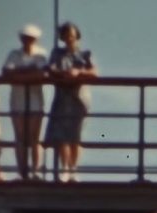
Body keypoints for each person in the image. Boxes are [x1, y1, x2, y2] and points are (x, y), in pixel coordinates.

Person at [44, 21, 97, 183]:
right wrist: (63, 73)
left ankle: (74, 169)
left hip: (79, 98)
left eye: (72, 36)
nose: (69, 39)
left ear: (77, 37)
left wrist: (78, 72)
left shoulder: (85, 54)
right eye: (66, 36)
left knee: (76, 135)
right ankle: (65, 168)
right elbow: (50, 69)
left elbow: (94, 73)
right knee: (62, 136)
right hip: (62, 97)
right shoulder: (57, 53)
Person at [2, 24, 48, 181]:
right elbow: (7, 72)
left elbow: (41, 74)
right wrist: (29, 72)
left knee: (35, 138)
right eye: (25, 38)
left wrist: (19, 72)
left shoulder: (41, 55)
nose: (28, 41)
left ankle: (36, 171)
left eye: (31, 38)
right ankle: (22, 172)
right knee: (20, 137)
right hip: (18, 101)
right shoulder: (14, 54)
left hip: (35, 101)